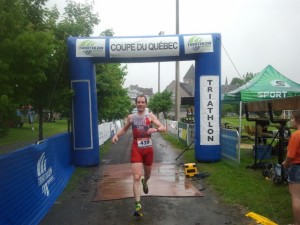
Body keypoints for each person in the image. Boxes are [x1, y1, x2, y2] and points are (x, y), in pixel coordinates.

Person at [111, 95, 166, 216]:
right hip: (136, 147)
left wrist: (156, 130)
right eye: (138, 102)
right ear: (136, 104)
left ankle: (145, 182)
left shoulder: (150, 116)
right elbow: (125, 129)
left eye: (142, 102)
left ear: (146, 104)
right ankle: (138, 205)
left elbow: (163, 128)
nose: (140, 104)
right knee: (136, 176)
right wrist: (116, 135)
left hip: (148, 149)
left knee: (147, 174)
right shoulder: (131, 117)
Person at [282, 109, 300, 225]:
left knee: (296, 197)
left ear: (297, 120)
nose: (291, 120)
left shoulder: (295, 135)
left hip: (297, 167)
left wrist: (285, 164)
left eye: (292, 118)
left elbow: (290, 155)